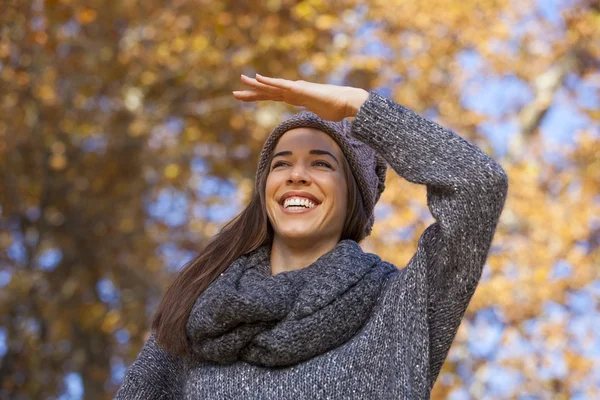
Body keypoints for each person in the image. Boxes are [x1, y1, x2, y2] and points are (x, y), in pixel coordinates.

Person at [114, 74, 508, 399]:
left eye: (321, 163)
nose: (296, 175)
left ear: (355, 195)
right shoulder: (200, 311)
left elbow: (478, 185)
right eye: (281, 164)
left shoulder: (400, 306)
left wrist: (360, 108)